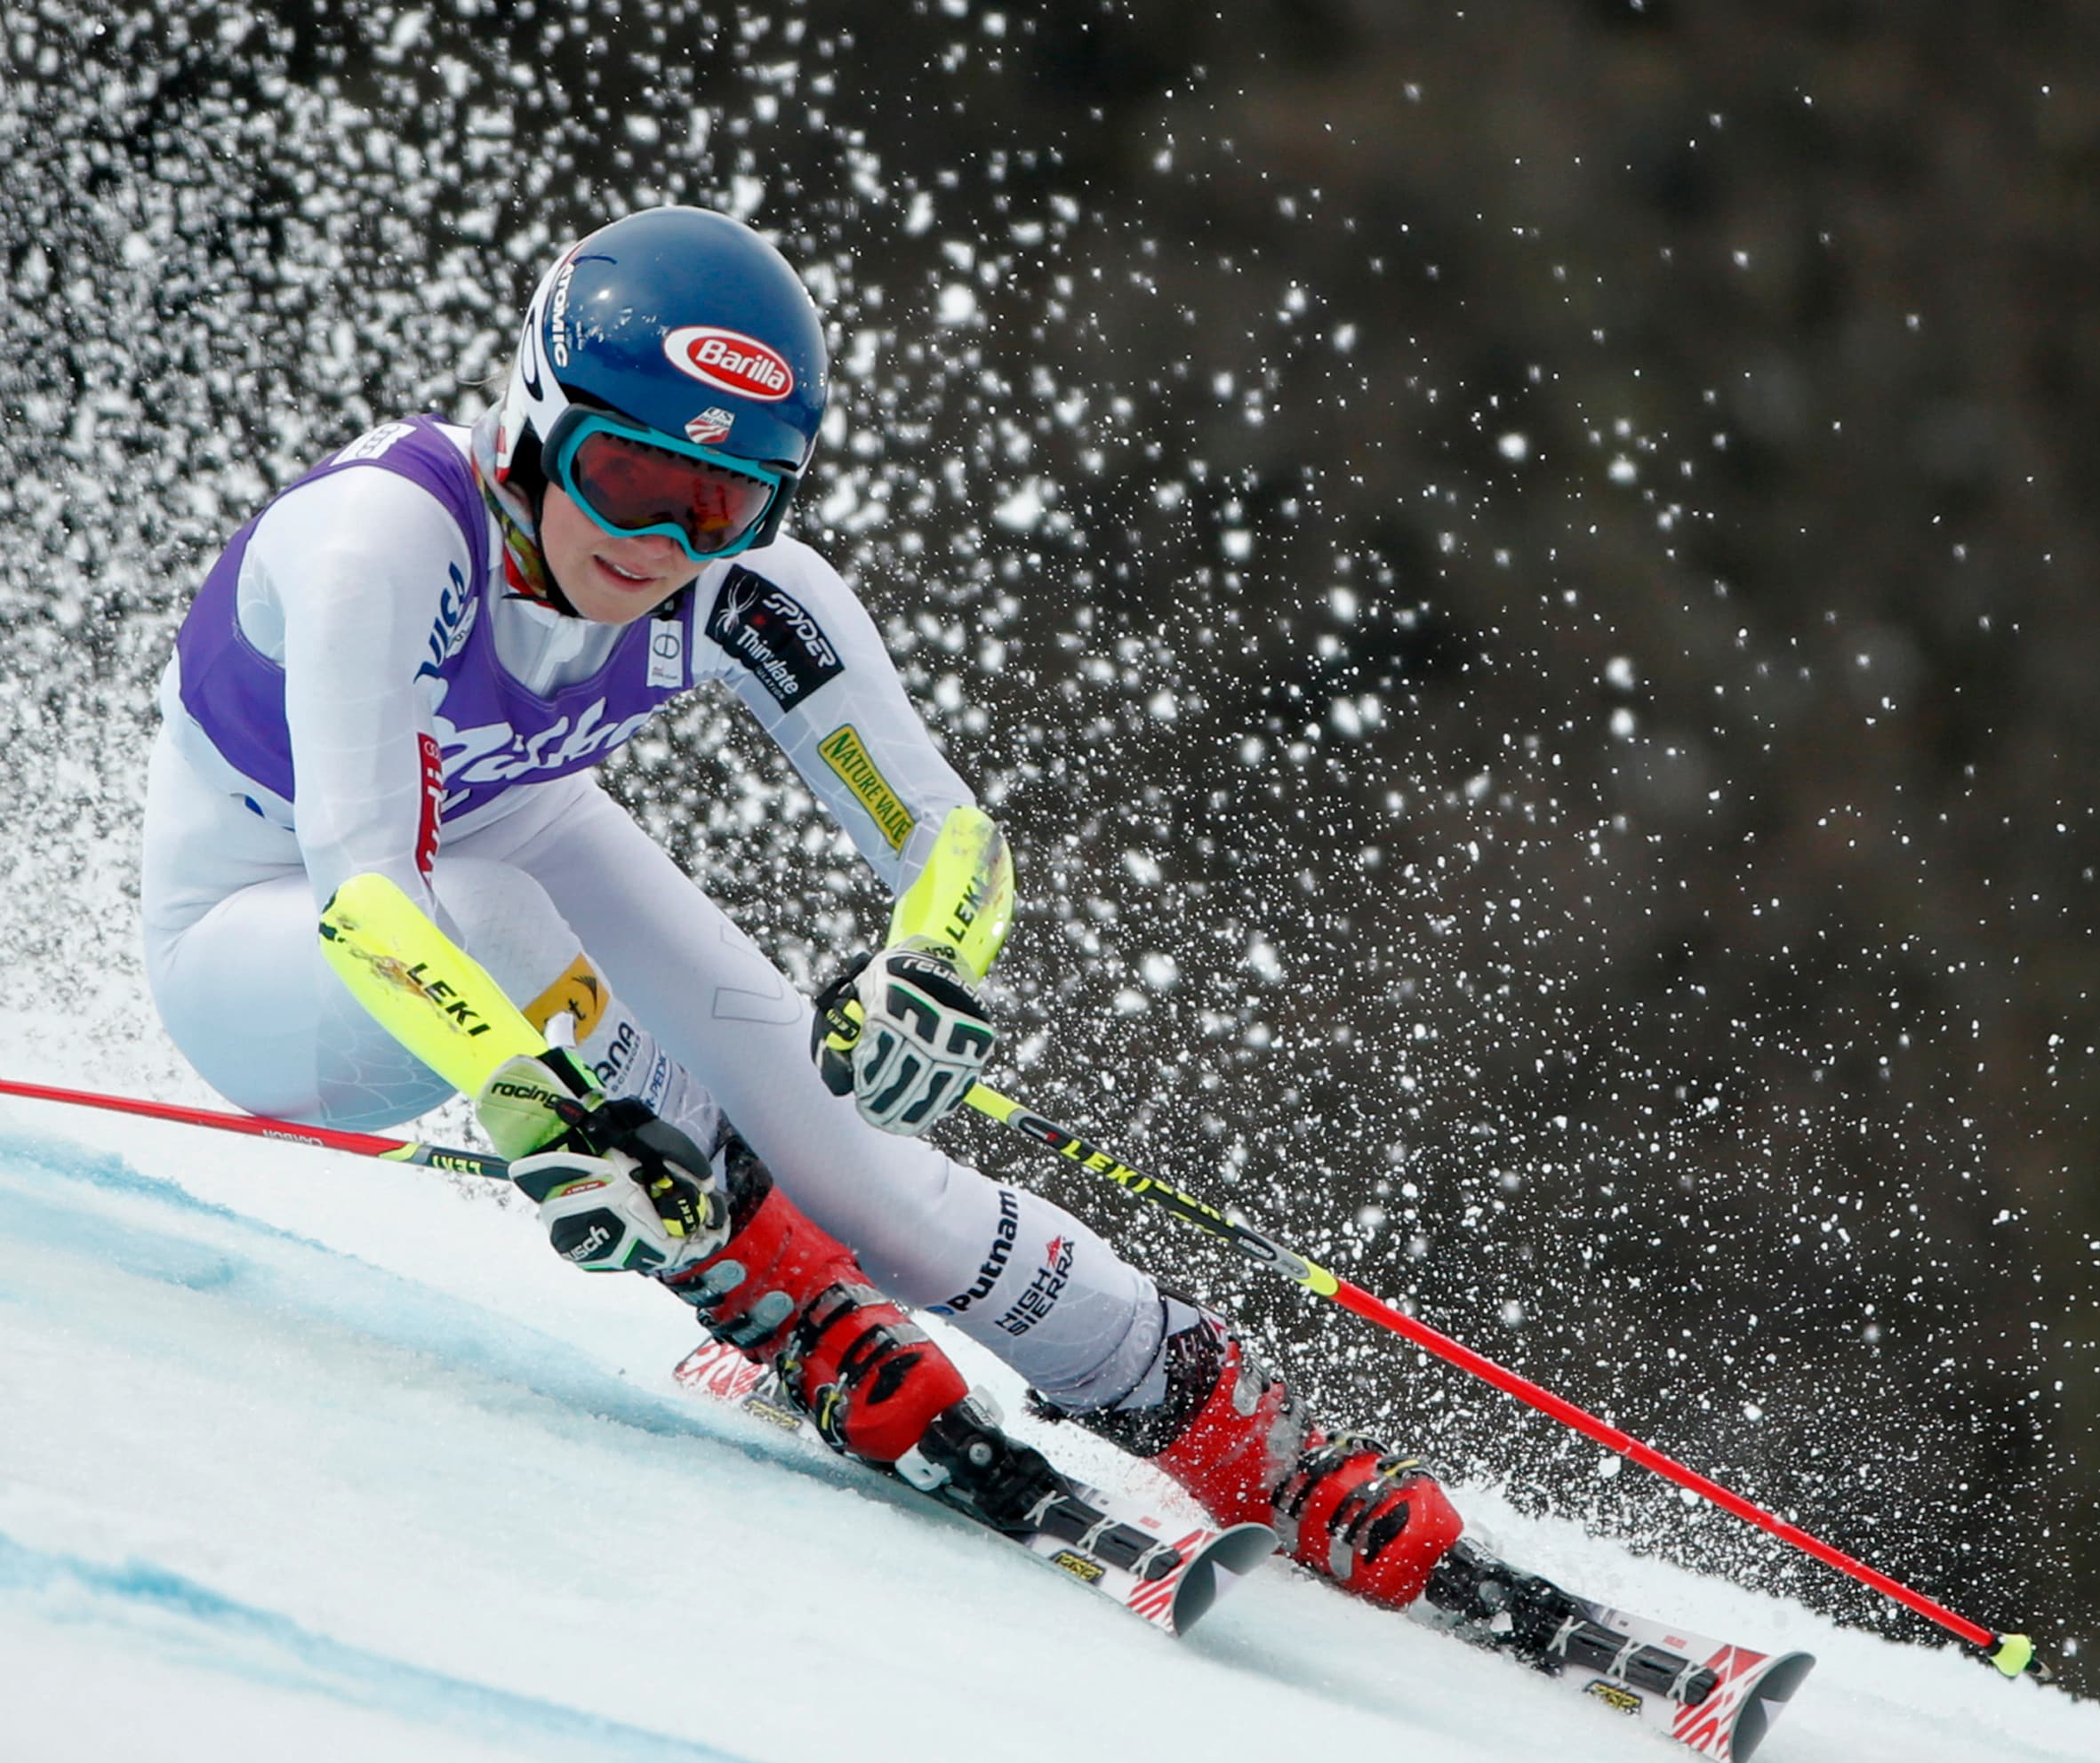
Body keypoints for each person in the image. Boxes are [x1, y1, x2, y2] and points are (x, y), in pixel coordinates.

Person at [140, 204, 1462, 1610]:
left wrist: (935, 964)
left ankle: (1220, 1417)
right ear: (534, 419)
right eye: (630, 474)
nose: (664, 542)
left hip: (506, 859)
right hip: (269, 948)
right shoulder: (386, 542)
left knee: (867, 1172)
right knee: (488, 910)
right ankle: (798, 1311)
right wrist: (545, 1109)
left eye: (723, 503)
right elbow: (369, 901)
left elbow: (948, 837)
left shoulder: (744, 592)